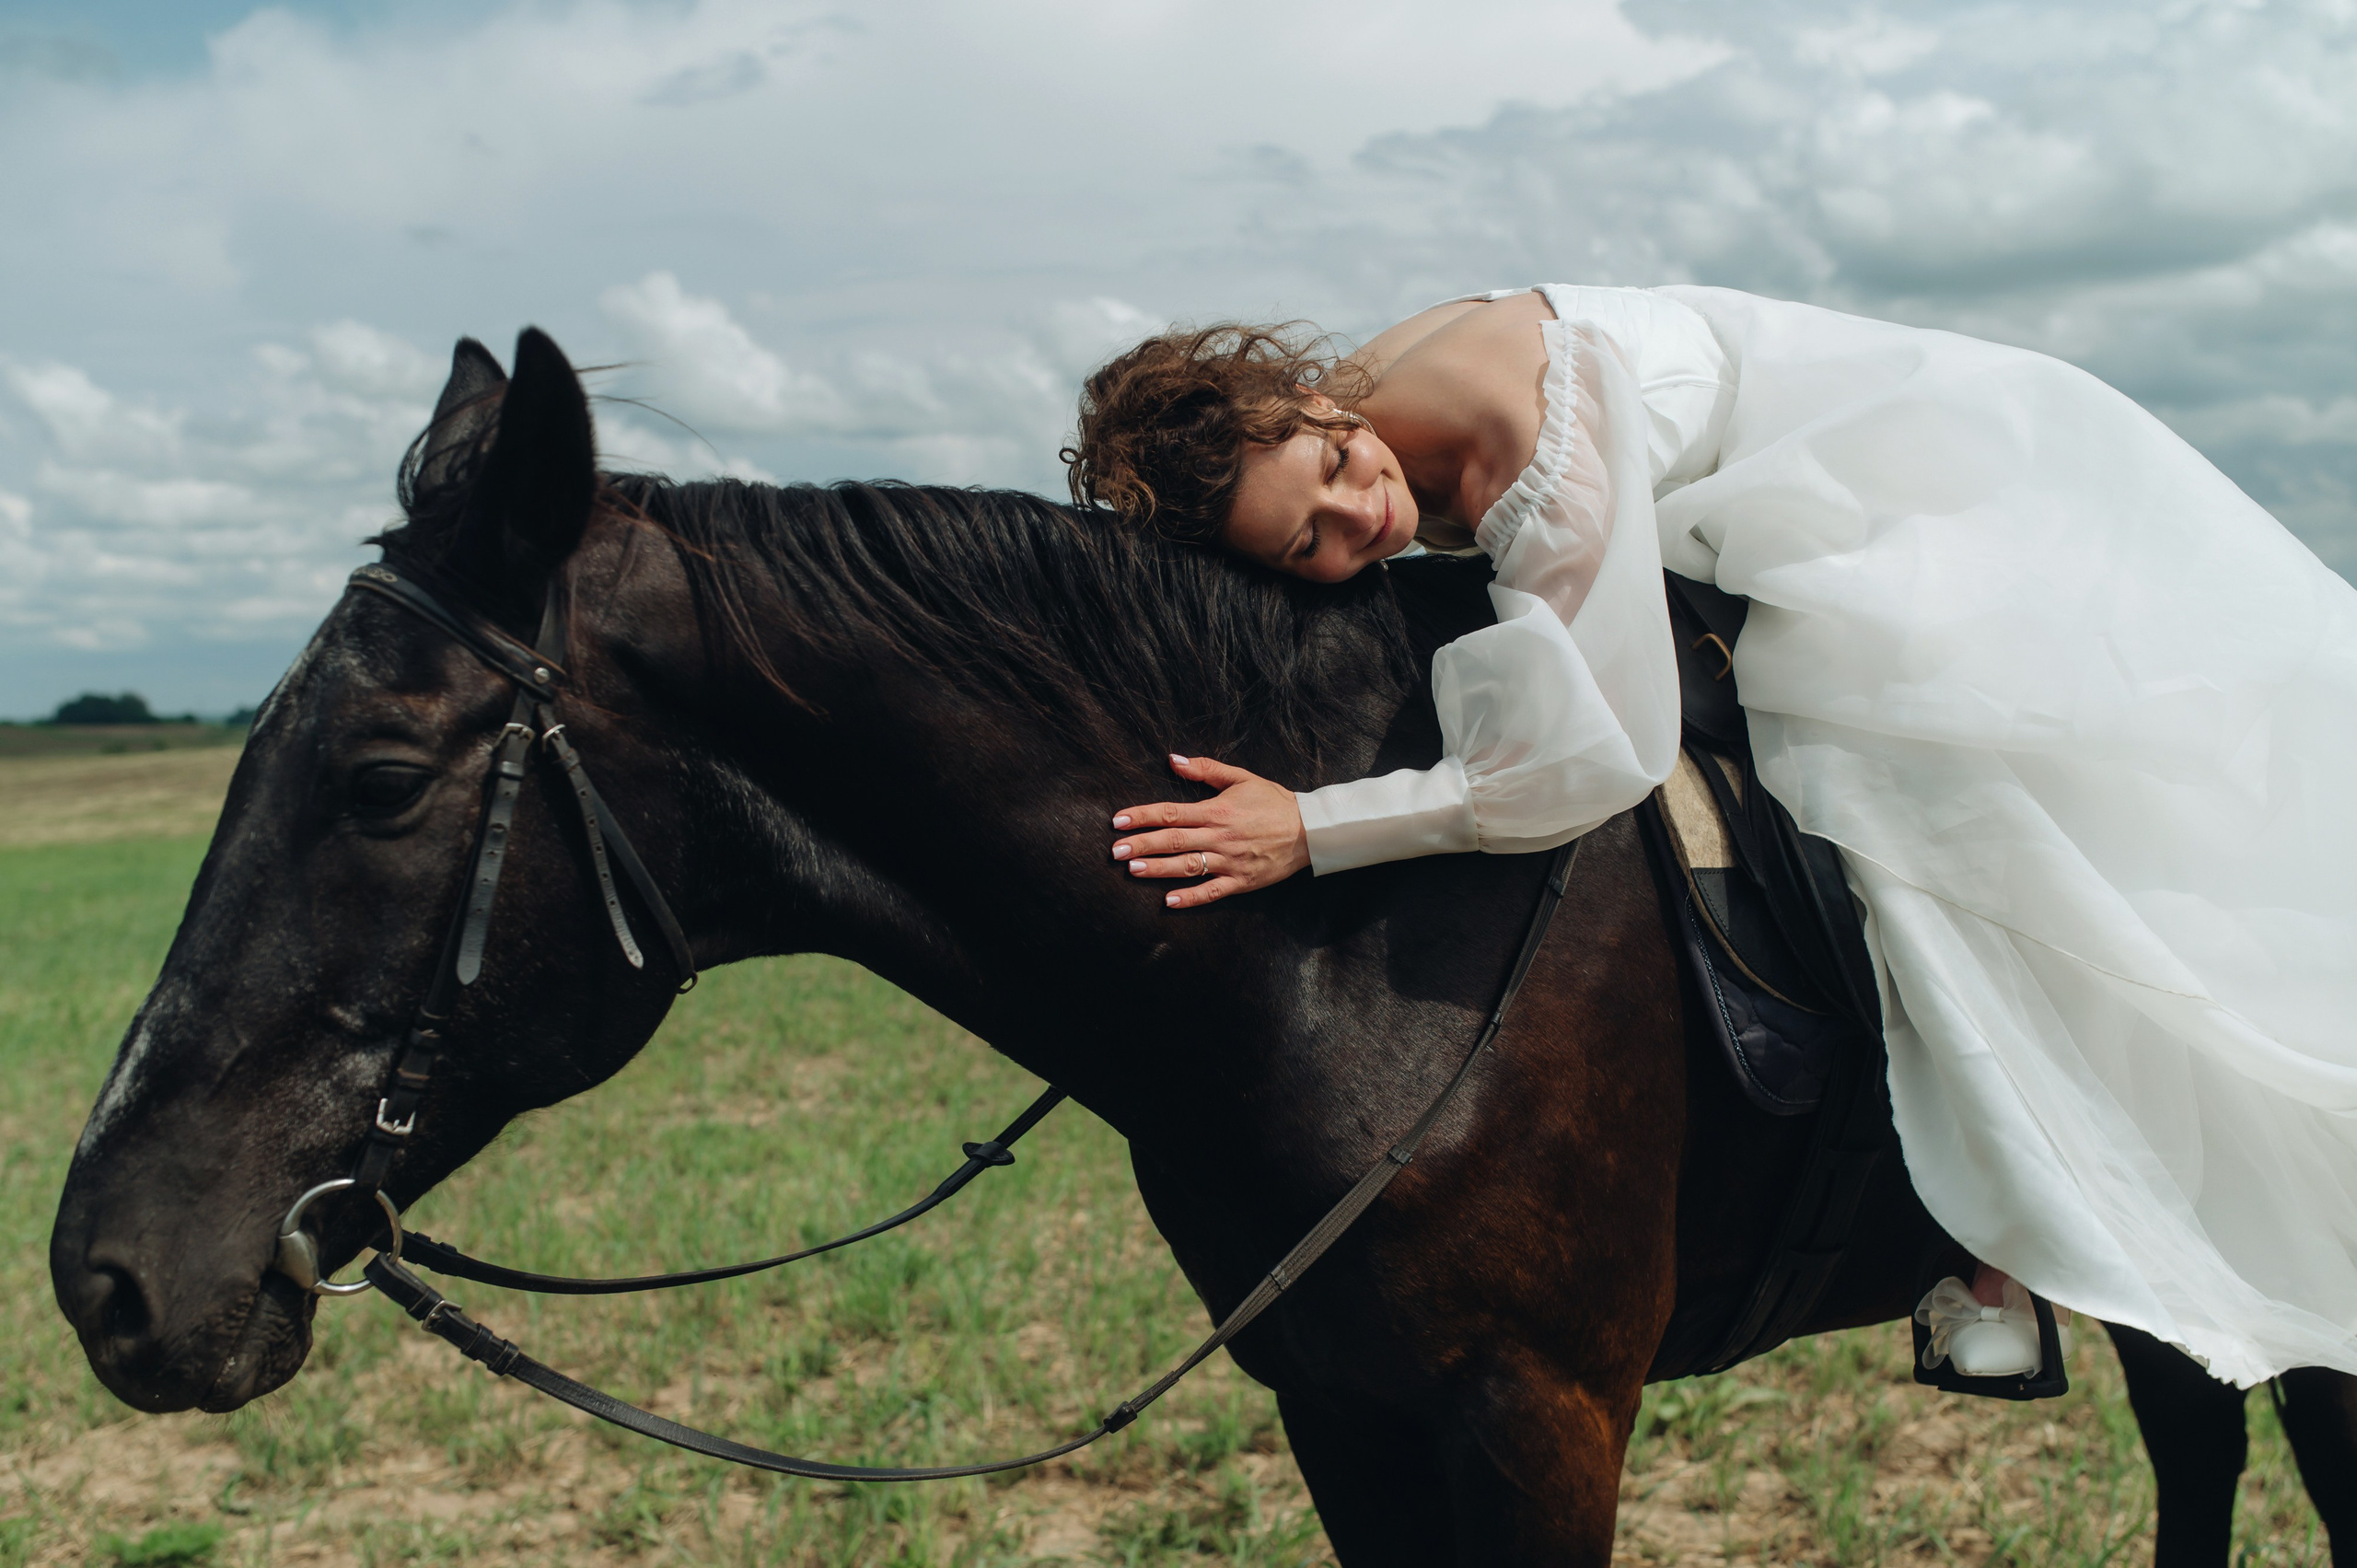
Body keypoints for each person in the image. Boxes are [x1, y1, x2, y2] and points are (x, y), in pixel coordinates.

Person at [1062, 284, 2357, 1390]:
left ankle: (2005, 1253)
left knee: (1919, 786)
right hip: (1756, 501)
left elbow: (1589, 756)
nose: (1366, 515)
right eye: (1313, 541)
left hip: (1891, 486)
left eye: (1339, 469)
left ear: (1308, 410)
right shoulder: (1348, 408)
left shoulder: (1523, 442)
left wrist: (1313, 825)